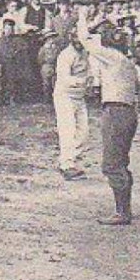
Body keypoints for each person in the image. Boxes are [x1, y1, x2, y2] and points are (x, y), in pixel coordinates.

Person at [76, 8, 140, 227]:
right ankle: (125, 208)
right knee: (121, 161)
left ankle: (122, 212)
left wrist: (84, 17)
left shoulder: (113, 58)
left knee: (112, 163)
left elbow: (84, 39)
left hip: (116, 111)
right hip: (127, 111)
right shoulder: (126, 61)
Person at [52, 32, 92, 181]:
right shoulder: (65, 55)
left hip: (79, 97)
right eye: (77, 38)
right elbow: (65, 78)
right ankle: (66, 165)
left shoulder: (85, 53)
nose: (79, 41)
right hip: (64, 96)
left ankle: (72, 161)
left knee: (84, 132)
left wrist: (90, 80)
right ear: (72, 38)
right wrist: (82, 81)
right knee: (68, 130)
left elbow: (89, 71)